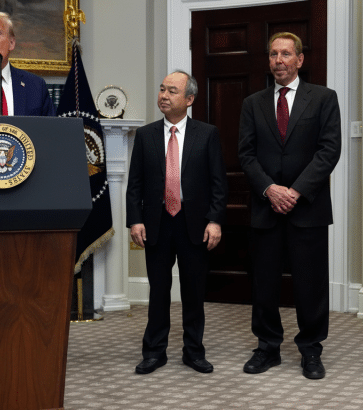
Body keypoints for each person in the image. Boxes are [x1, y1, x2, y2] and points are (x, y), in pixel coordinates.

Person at [238, 32, 341, 379]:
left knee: (310, 284)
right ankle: (267, 348)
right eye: (272, 54)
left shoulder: (324, 98)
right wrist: (270, 189)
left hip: (307, 207)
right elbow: (246, 154)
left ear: (300, 59)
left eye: (285, 54)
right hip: (266, 207)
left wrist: (294, 192)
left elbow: (329, 151)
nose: (278, 60)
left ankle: (311, 350)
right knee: (264, 283)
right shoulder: (253, 103)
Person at [126, 70, 228, 375]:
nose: (164, 96)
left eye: (172, 90)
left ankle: (194, 351)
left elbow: (219, 183)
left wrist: (215, 221)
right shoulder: (146, 135)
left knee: (193, 292)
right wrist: (135, 221)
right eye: (161, 89)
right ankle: (154, 351)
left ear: (189, 99)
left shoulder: (207, 134)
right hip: (157, 222)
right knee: (158, 291)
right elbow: (135, 185)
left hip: (193, 223)